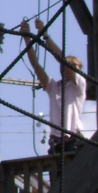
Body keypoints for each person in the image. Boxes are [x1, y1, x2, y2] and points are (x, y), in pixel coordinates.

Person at [20, 18, 87, 154]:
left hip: (72, 140)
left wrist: (44, 34)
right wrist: (27, 38)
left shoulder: (79, 84)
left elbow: (62, 58)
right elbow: (36, 65)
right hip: (55, 143)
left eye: (75, 66)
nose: (67, 68)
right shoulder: (53, 87)